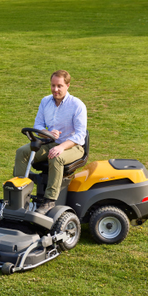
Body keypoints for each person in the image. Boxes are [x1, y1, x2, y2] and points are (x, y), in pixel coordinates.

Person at [14, 70, 87, 214]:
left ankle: (49, 200)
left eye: (59, 86)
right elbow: (38, 125)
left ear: (68, 85)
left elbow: (80, 135)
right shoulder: (45, 101)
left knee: (56, 157)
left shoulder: (77, 105)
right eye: (53, 85)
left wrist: (61, 147)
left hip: (73, 146)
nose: (55, 89)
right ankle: (18, 193)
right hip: (50, 142)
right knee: (22, 152)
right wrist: (48, 133)